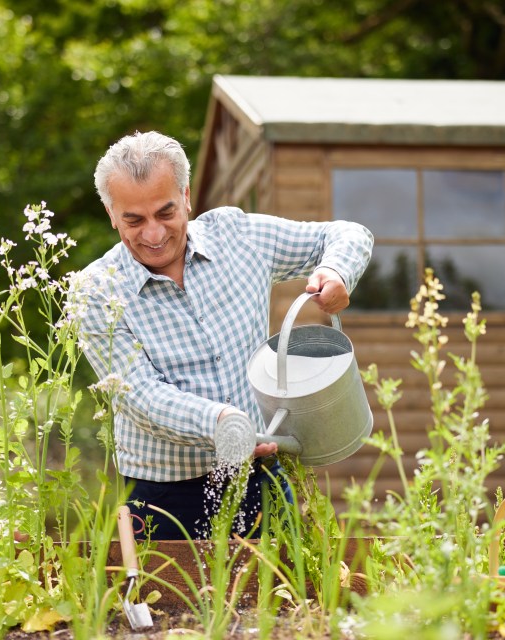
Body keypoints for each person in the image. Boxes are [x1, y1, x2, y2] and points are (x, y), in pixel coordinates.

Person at [78, 130, 373, 540]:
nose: (153, 234)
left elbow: (346, 234)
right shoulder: (95, 290)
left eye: (165, 213)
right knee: (168, 605)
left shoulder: (239, 238)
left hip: (260, 479)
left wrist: (337, 271)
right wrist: (222, 422)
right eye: (133, 220)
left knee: (288, 602)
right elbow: (138, 396)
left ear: (185, 195)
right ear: (111, 214)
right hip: (164, 498)